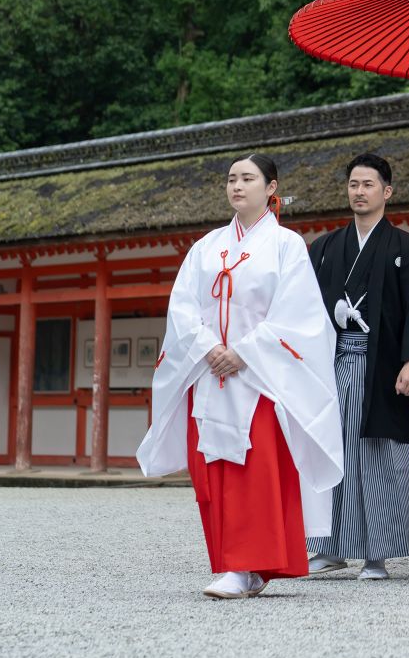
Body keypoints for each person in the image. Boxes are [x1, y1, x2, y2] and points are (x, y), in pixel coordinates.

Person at [137, 154, 343, 600]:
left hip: (261, 377)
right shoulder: (207, 246)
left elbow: (299, 314)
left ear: (272, 188)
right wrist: (210, 348)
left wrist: (245, 353)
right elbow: (184, 306)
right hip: (210, 372)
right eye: (232, 178)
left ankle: (247, 564)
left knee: (257, 470)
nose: (237, 186)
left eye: (248, 178)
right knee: (213, 470)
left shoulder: (286, 245)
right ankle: (233, 564)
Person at [306, 152, 409, 580]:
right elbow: (303, 308)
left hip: (384, 370)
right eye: (353, 184)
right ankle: (328, 546)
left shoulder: (406, 248)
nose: (359, 191)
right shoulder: (326, 248)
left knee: (378, 458)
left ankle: (376, 554)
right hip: (333, 367)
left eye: (368, 184)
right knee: (333, 455)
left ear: (387, 192)